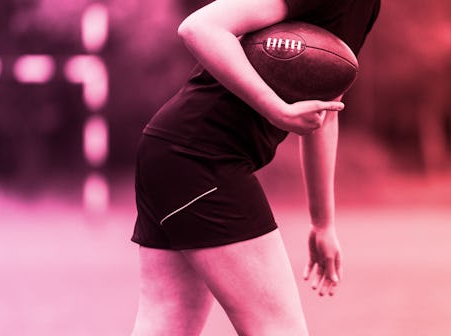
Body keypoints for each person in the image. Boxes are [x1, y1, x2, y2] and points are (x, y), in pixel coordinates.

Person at [130, 0, 380, 335]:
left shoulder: (366, 6)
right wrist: (275, 108)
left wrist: (323, 223)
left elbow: (326, 105)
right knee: (279, 329)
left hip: (171, 151)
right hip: (201, 157)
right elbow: (201, 27)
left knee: (168, 322)